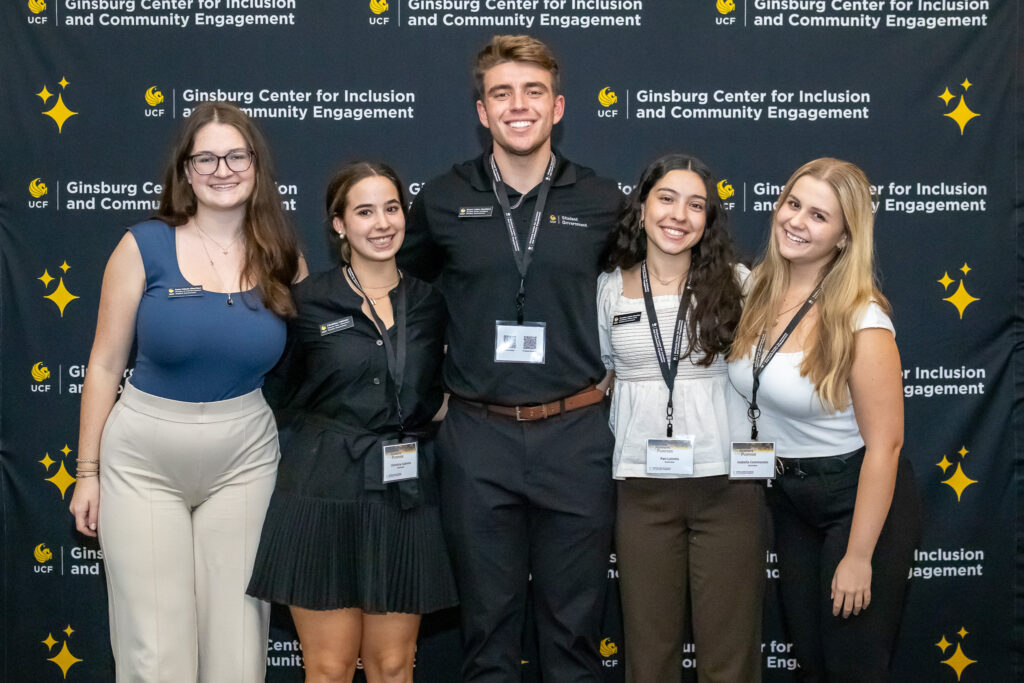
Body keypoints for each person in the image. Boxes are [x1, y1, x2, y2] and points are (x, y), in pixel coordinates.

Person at [397, 34, 621, 682]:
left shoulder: (602, 200)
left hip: (575, 435)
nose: (517, 106)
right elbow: (399, 293)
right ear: (482, 110)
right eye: (502, 93)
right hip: (477, 438)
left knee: (573, 638)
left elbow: (649, 290)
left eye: (532, 92)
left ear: (557, 107)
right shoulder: (442, 199)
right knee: (487, 636)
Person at [67, 100, 304, 682]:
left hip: (245, 455)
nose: (222, 169)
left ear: (256, 165)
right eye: (206, 158)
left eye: (235, 155)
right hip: (144, 456)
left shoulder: (283, 259)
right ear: (186, 172)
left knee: (239, 643)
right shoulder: (142, 245)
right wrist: (88, 472)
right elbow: (102, 365)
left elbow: (320, 361)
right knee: (154, 648)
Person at [246, 161, 457, 683]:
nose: (382, 223)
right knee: (329, 668)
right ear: (339, 224)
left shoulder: (432, 303)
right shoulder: (305, 302)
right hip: (322, 493)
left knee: (392, 666)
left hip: (403, 497)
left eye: (391, 208)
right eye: (364, 211)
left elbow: (440, 393)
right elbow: (278, 392)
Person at [728, 158, 921, 682]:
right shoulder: (752, 291)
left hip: (856, 500)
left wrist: (859, 556)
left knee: (852, 666)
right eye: (793, 204)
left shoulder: (862, 318)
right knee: (811, 664)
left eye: (819, 216)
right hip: (790, 502)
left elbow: (887, 445)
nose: (797, 221)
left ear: (843, 237)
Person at [598, 153, 766, 682]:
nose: (679, 215)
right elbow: (603, 376)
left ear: (708, 220)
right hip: (642, 490)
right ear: (642, 206)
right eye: (666, 198)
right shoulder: (609, 286)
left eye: (696, 205)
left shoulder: (739, 282)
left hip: (727, 489)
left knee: (730, 656)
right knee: (649, 656)